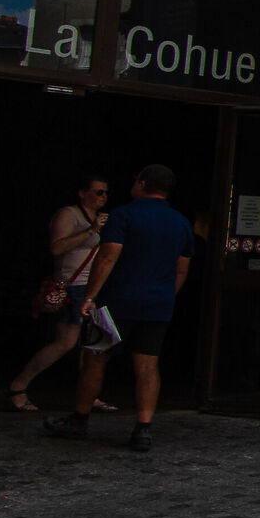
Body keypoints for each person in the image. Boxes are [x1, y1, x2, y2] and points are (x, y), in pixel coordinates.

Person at [47, 165, 193, 452]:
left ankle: (79, 419)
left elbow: (107, 258)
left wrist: (90, 296)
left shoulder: (124, 215)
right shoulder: (181, 223)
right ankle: (143, 428)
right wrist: (166, 296)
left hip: (116, 301)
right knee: (148, 364)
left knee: (95, 358)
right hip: (156, 305)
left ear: (142, 184)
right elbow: (181, 269)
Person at [6, 174, 108, 413]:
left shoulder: (102, 218)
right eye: (98, 191)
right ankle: (18, 386)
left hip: (95, 286)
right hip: (74, 286)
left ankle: (89, 394)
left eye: (105, 192)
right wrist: (91, 230)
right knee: (66, 342)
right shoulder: (69, 215)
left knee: (96, 345)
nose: (103, 197)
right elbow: (56, 247)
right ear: (83, 193)